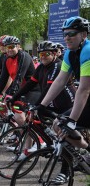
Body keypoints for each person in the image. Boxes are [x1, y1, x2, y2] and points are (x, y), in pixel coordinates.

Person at [35, 16, 90, 184]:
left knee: (65, 125)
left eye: (72, 33)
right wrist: (42, 104)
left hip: (87, 93)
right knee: (58, 124)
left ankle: (70, 166)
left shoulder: (88, 50)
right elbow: (60, 80)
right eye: (65, 34)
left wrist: (73, 120)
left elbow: (85, 88)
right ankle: (83, 155)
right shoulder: (70, 53)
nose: (67, 37)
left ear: (83, 35)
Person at [7, 41, 76, 161]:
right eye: (41, 55)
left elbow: (48, 88)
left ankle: (69, 152)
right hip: (53, 101)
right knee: (33, 119)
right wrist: (14, 97)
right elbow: (29, 84)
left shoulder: (57, 66)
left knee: (60, 127)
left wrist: (37, 105)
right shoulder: (41, 67)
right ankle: (47, 142)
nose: (43, 57)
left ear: (54, 54)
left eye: (46, 54)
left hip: (66, 102)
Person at [0, 36, 40, 103]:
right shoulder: (7, 59)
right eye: (7, 47)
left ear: (18, 46)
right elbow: (3, 79)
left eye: (12, 47)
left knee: (21, 111)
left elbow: (19, 76)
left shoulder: (23, 56)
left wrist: (12, 94)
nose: (9, 49)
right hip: (21, 90)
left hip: (33, 90)